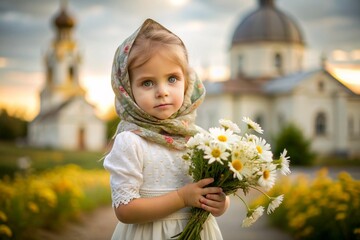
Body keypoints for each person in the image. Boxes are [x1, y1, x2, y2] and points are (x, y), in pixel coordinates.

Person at [103, 18, 229, 240]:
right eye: (147, 83)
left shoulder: (201, 139)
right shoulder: (131, 141)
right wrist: (181, 199)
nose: (162, 91)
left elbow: (211, 191)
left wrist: (220, 203)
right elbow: (125, 210)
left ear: (188, 81)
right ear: (127, 91)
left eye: (172, 79)